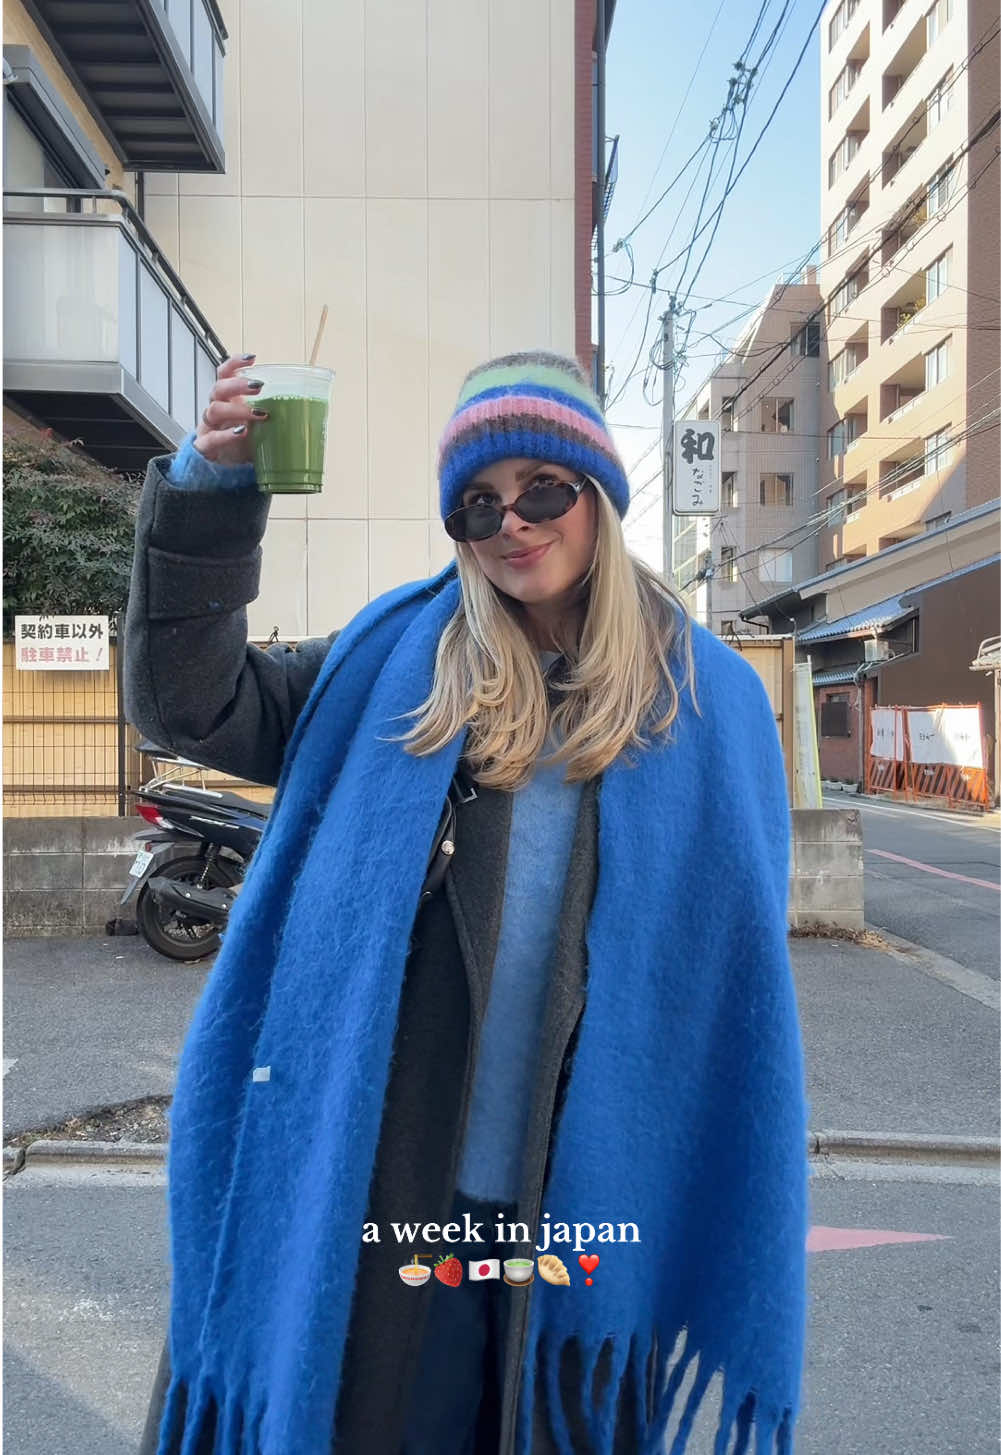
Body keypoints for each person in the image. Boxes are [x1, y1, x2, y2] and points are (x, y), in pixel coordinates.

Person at [127, 349, 810, 1455]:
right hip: (399, 1196)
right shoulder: (389, 663)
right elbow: (188, 704)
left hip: (594, 1209)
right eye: (477, 503)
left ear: (599, 494)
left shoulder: (712, 701)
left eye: (543, 488)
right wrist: (213, 491)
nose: (512, 523)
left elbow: (730, 982)